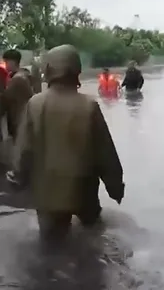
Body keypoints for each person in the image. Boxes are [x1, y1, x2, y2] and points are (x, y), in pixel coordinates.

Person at [10, 44, 125, 242]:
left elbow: (24, 150)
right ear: (76, 70)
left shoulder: (35, 104)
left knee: (51, 247)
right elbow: (105, 153)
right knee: (93, 241)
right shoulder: (89, 106)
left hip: (48, 194)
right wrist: (115, 187)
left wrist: (17, 178)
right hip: (84, 191)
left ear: (48, 70)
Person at [1, 49, 35, 141]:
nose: (5, 65)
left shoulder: (17, 79)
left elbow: (5, 98)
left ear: (12, 62)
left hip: (18, 118)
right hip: (25, 116)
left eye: (6, 62)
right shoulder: (24, 74)